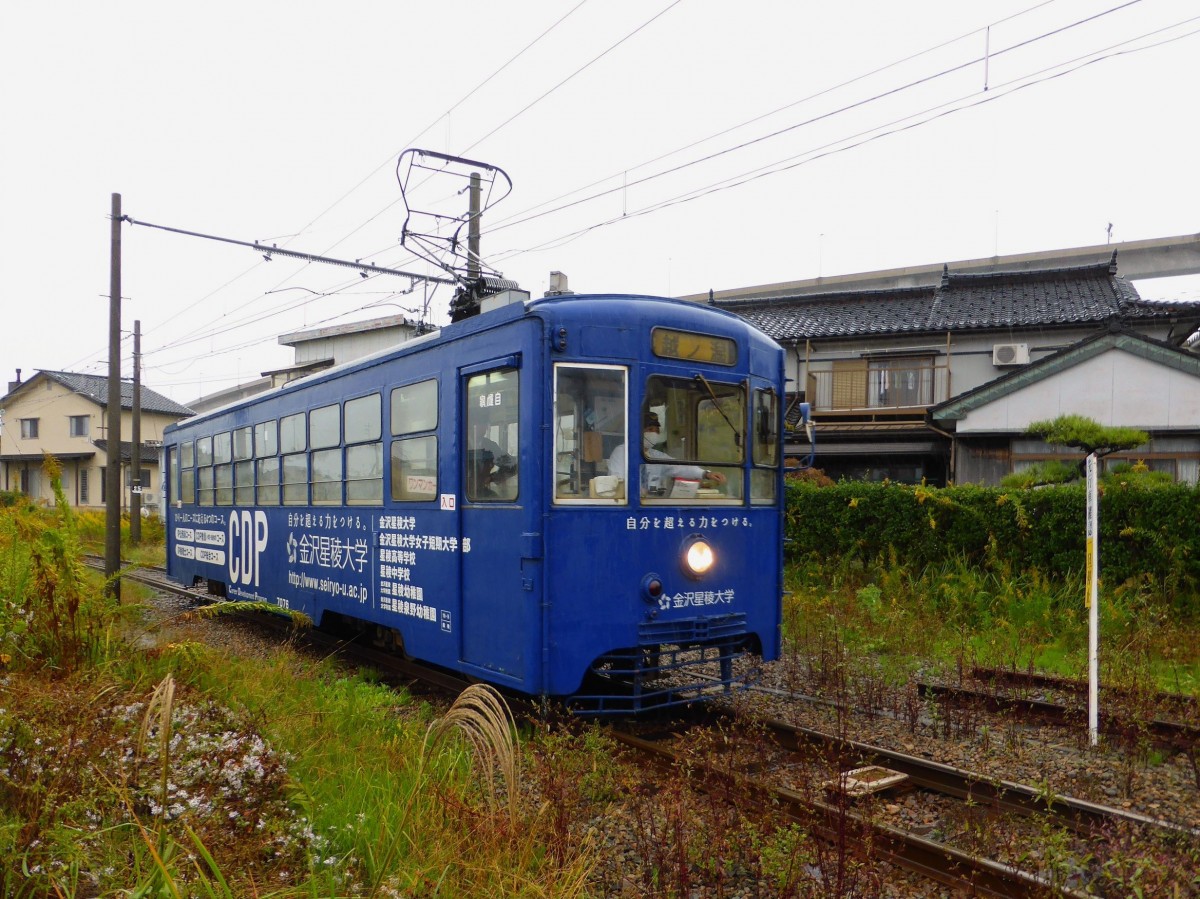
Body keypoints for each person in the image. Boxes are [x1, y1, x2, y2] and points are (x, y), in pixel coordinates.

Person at [608, 411, 726, 496]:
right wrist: (638, 492)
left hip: (652, 504)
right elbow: (618, 482)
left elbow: (679, 467)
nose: (654, 434)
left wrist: (706, 474)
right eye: (650, 430)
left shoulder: (656, 455)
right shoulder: (622, 452)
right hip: (631, 505)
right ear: (638, 431)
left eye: (657, 431)